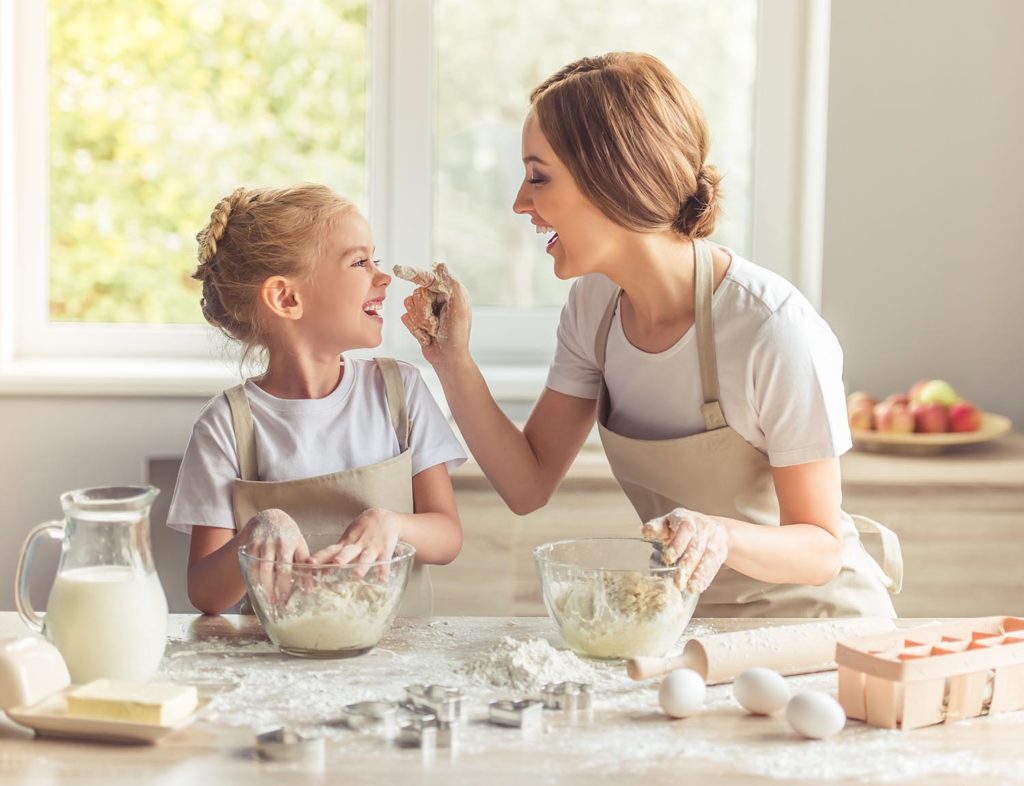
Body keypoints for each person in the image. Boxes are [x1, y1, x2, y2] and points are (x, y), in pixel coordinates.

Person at [400, 53, 901, 617]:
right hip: (691, 622)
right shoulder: (594, 307)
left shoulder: (771, 329)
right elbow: (527, 484)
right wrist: (452, 360)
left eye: (538, 176)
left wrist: (720, 535)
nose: (520, 202)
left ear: (615, 180)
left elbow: (822, 549)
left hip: (817, 625)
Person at [167, 184, 465, 616]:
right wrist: (257, 532)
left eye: (375, 259)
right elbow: (205, 593)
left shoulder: (400, 390)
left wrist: (392, 524)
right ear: (286, 298)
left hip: (399, 650)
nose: (382, 277)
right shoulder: (227, 424)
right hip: (278, 653)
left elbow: (448, 537)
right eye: (359, 262)